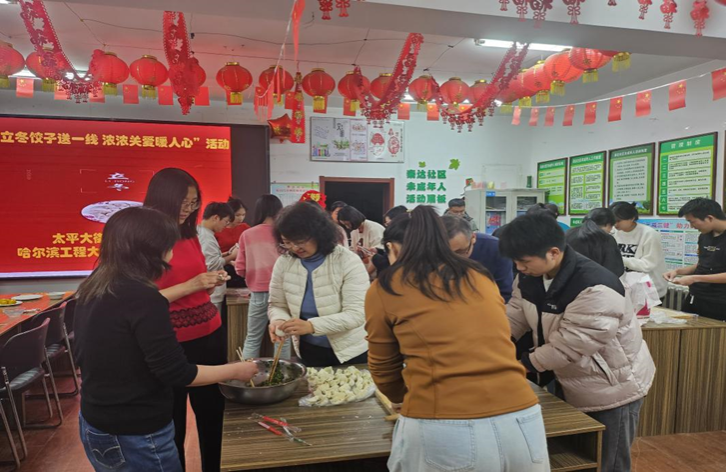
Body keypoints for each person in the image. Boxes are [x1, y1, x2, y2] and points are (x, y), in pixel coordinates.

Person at [74, 206, 257, 472]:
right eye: (170, 244)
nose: (172, 252)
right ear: (152, 249)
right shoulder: (144, 298)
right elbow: (177, 373)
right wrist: (236, 370)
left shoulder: (95, 285)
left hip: (96, 421)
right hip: (136, 430)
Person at [366, 206, 548, 472]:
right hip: (523, 417)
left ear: (392, 247)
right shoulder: (478, 275)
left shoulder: (387, 287)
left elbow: (383, 367)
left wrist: (401, 397)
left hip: (445, 424)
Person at [500, 213, 655, 472]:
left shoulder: (595, 286)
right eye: (515, 262)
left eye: (524, 261)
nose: (519, 268)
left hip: (611, 385)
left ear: (553, 252)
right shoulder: (531, 274)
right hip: (567, 376)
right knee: (575, 455)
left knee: (609, 461)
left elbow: (570, 344)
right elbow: (516, 312)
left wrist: (520, 364)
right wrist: (495, 339)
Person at [144, 168, 230, 472]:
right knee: (172, 420)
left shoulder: (189, 234)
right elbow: (136, 300)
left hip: (209, 335)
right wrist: (192, 285)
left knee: (213, 415)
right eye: (183, 202)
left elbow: (195, 281)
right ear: (162, 198)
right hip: (168, 342)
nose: (187, 209)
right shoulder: (143, 237)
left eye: (193, 203)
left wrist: (210, 282)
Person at [268, 202, 369, 368]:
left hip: (350, 350)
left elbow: (356, 314)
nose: (294, 248)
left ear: (318, 233)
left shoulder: (347, 260)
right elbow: (277, 304)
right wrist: (279, 320)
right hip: (309, 349)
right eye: (287, 242)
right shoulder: (284, 263)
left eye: (300, 241)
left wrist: (311, 326)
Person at [235, 194, 290, 360]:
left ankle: (248, 374)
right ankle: (282, 374)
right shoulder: (284, 233)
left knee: (252, 338)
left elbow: (240, 268)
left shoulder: (247, 234)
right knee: (282, 339)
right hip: (283, 293)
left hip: (258, 293)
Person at [664, 198, 726, 321]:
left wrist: (695, 278)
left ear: (709, 218)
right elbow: (703, 264)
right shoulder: (704, 236)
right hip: (696, 296)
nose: (691, 226)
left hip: (720, 302)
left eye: (692, 222)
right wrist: (678, 271)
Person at [442, 215, 514, 301]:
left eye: (460, 252)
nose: (452, 259)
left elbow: (504, 292)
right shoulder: (427, 252)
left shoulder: (496, 248)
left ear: (473, 238)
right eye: (444, 254)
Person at [610, 201, 668, 299]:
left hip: (649, 291)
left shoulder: (649, 234)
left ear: (632, 218)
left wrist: (619, 259)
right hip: (625, 288)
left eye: (618, 220)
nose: (615, 224)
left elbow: (647, 265)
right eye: (613, 220)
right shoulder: (613, 233)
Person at [198, 202, 238, 313]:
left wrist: (224, 255)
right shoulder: (206, 237)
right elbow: (211, 264)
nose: (225, 226)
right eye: (225, 221)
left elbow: (205, 258)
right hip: (212, 292)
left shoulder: (201, 232)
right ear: (216, 218)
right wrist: (232, 256)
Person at [565, 208, 624, 277]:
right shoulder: (606, 238)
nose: (610, 231)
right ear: (608, 224)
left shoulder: (569, 233)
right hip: (596, 281)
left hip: (568, 279)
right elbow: (615, 269)